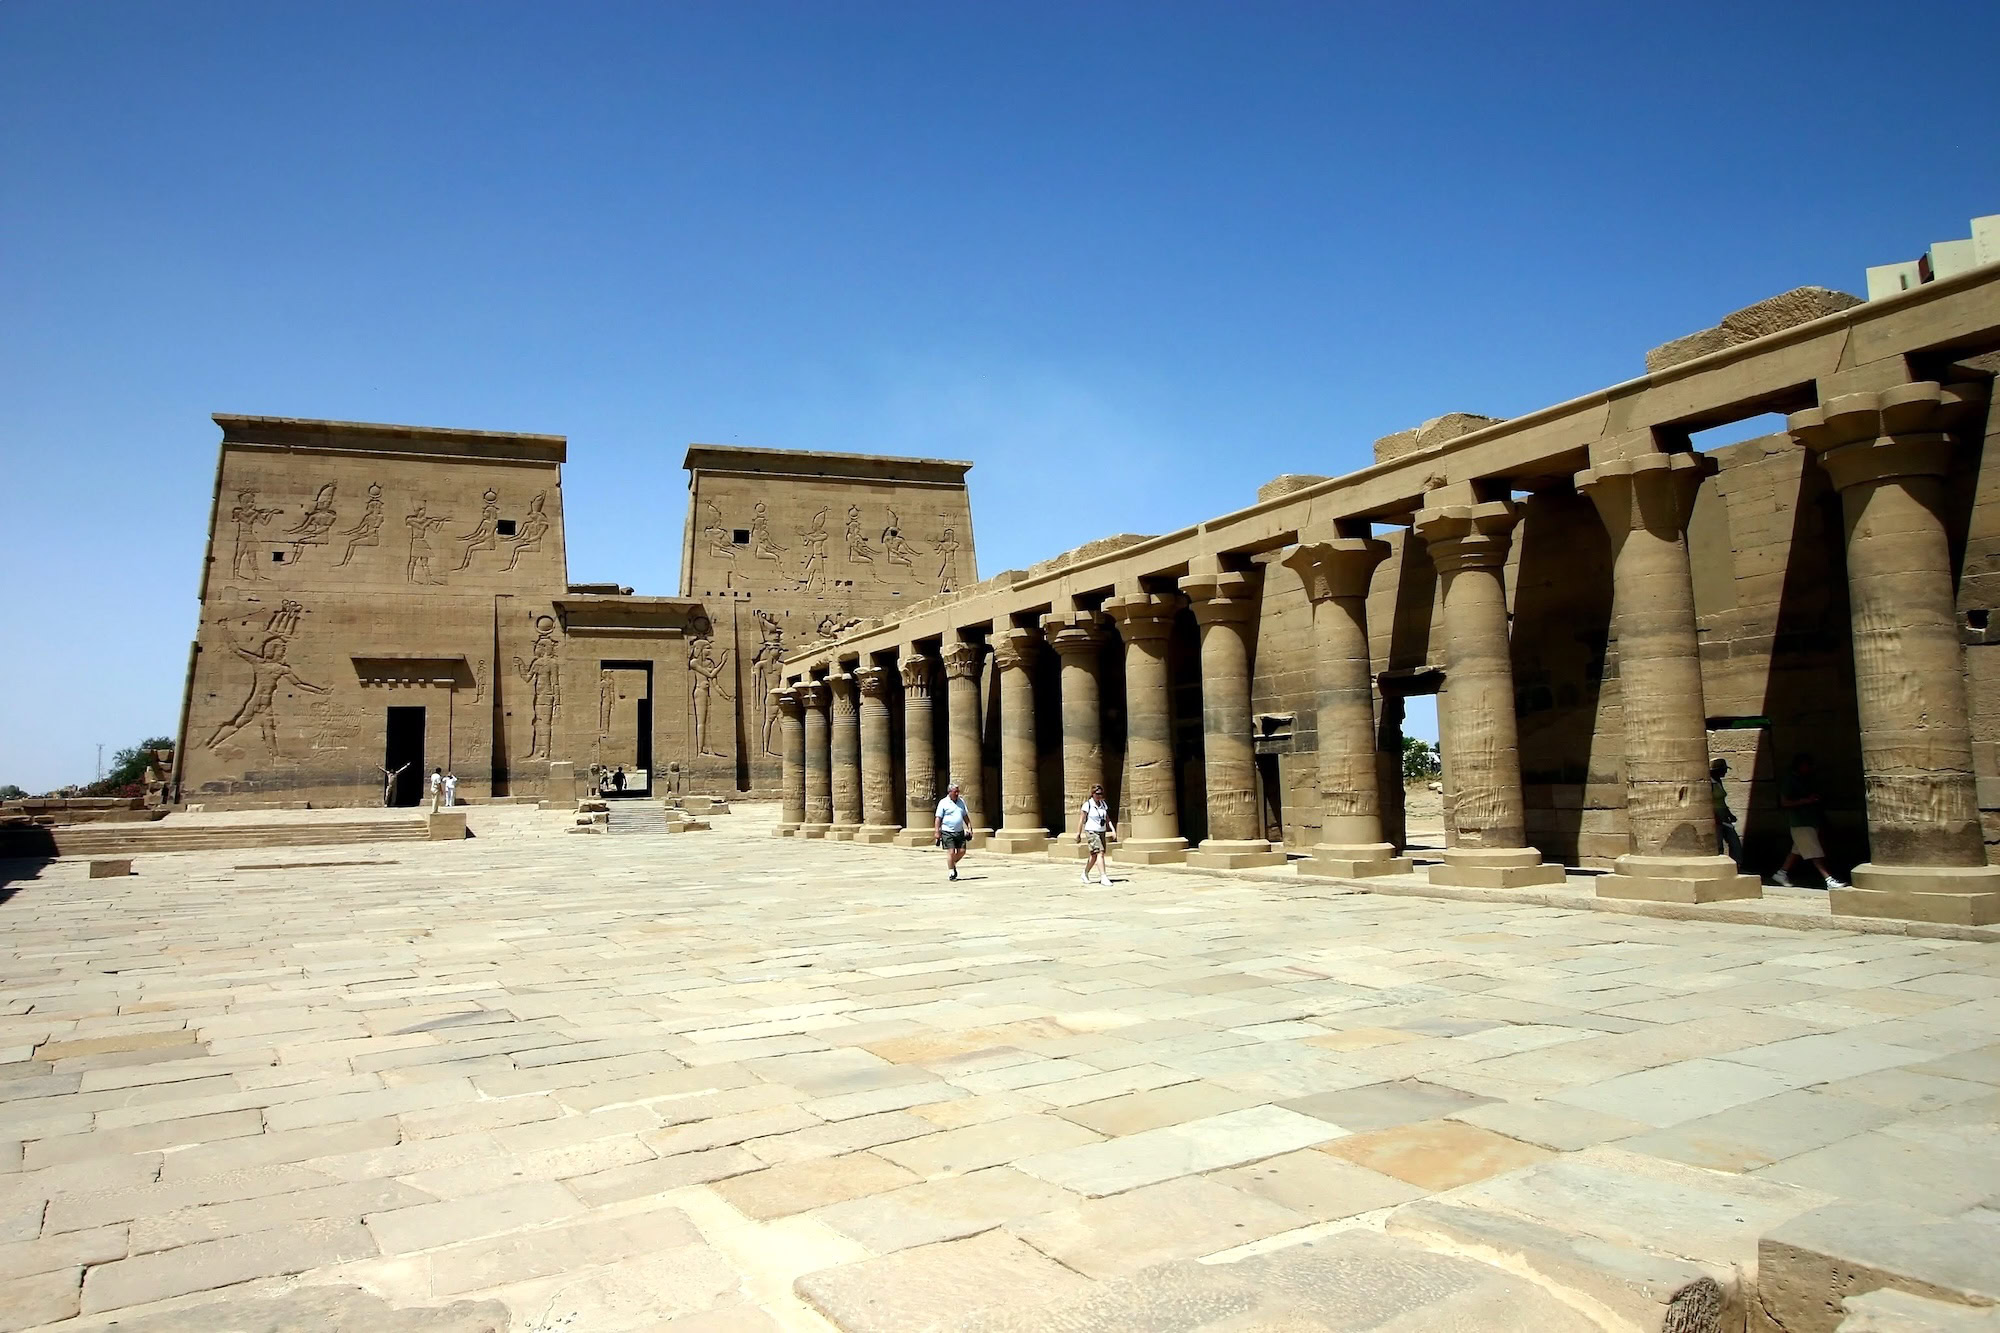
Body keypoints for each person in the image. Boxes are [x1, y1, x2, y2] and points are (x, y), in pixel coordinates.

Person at [1773, 753, 1848, 889]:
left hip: (1809, 821)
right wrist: (1806, 800)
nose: (1810, 768)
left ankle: (1781, 873)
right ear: (1800, 766)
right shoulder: (1790, 780)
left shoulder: (1804, 779)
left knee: (1798, 850)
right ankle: (1828, 879)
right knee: (1815, 852)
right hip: (1800, 822)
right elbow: (1784, 802)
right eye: (1807, 765)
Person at [1078, 784, 1116, 886]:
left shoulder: (1103, 804)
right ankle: (1103, 876)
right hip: (1091, 831)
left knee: (1094, 855)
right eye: (1098, 794)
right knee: (1100, 852)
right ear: (1093, 794)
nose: (1099, 796)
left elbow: (1107, 818)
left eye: (1101, 794)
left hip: (1101, 831)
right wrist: (1078, 833)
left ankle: (1085, 873)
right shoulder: (1087, 805)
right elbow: (1081, 820)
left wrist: (1112, 829)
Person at [934, 780, 972, 881]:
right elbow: (938, 818)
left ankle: (952, 863)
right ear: (949, 792)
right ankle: (951, 872)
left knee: (962, 851)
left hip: (959, 831)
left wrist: (969, 828)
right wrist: (937, 831)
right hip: (947, 831)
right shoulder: (943, 803)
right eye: (955, 792)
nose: (957, 793)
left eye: (958, 791)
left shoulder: (961, 802)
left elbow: (965, 816)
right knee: (951, 852)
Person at [1711, 759, 1743, 864]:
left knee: (1735, 843)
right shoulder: (1709, 784)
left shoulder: (1718, 781)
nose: (1725, 772)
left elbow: (1722, 801)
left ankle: (1736, 866)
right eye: (1723, 770)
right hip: (1716, 818)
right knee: (1718, 845)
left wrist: (1730, 814)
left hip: (1724, 817)